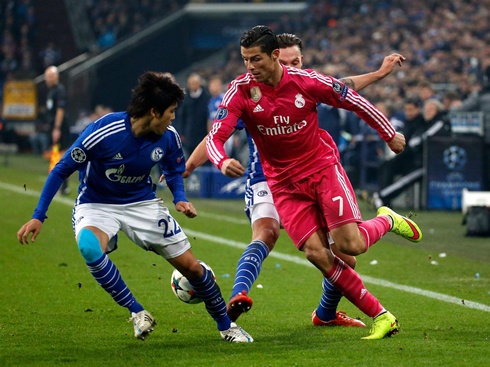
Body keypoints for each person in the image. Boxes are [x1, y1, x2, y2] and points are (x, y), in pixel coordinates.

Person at [206, 26, 423, 340]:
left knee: (351, 247)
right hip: (282, 185)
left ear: (274, 55)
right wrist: (221, 160)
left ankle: (387, 220)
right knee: (316, 253)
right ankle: (380, 315)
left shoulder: (307, 81)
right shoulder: (240, 89)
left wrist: (388, 133)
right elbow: (216, 136)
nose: (250, 66)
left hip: (321, 170)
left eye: (256, 59)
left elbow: (354, 100)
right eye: (245, 60)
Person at [17, 72, 253, 343]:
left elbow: (174, 170)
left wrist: (179, 198)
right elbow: (61, 169)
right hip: (97, 203)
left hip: (142, 203)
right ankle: (138, 312)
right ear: (154, 111)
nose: (173, 118)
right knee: (89, 247)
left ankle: (226, 327)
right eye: (171, 111)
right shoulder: (103, 131)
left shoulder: (168, 136)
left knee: (193, 268)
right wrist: (39, 216)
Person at [372, 97, 451, 208]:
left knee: (407, 179)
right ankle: (383, 200)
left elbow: (419, 140)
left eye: (430, 110)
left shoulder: (438, 123)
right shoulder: (423, 123)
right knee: (387, 165)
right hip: (413, 158)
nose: (426, 113)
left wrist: (410, 145)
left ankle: (381, 196)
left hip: (427, 162)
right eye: (426, 110)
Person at [44, 66, 70, 194]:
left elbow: (60, 110)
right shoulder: (51, 91)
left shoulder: (59, 90)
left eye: (50, 76)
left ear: (56, 76)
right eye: (46, 77)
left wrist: (57, 128)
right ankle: (59, 183)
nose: (47, 79)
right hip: (54, 127)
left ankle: (64, 185)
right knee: (55, 155)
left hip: (60, 128)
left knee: (61, 156)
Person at [179, 73, 210, 157]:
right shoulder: (185, 99)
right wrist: (182, 133)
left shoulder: (207, 97)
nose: (192, 86)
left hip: (204, 134)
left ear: (199, 83)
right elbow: (182, 117)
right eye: (190, 84)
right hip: (190, 135)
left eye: (194, 83)